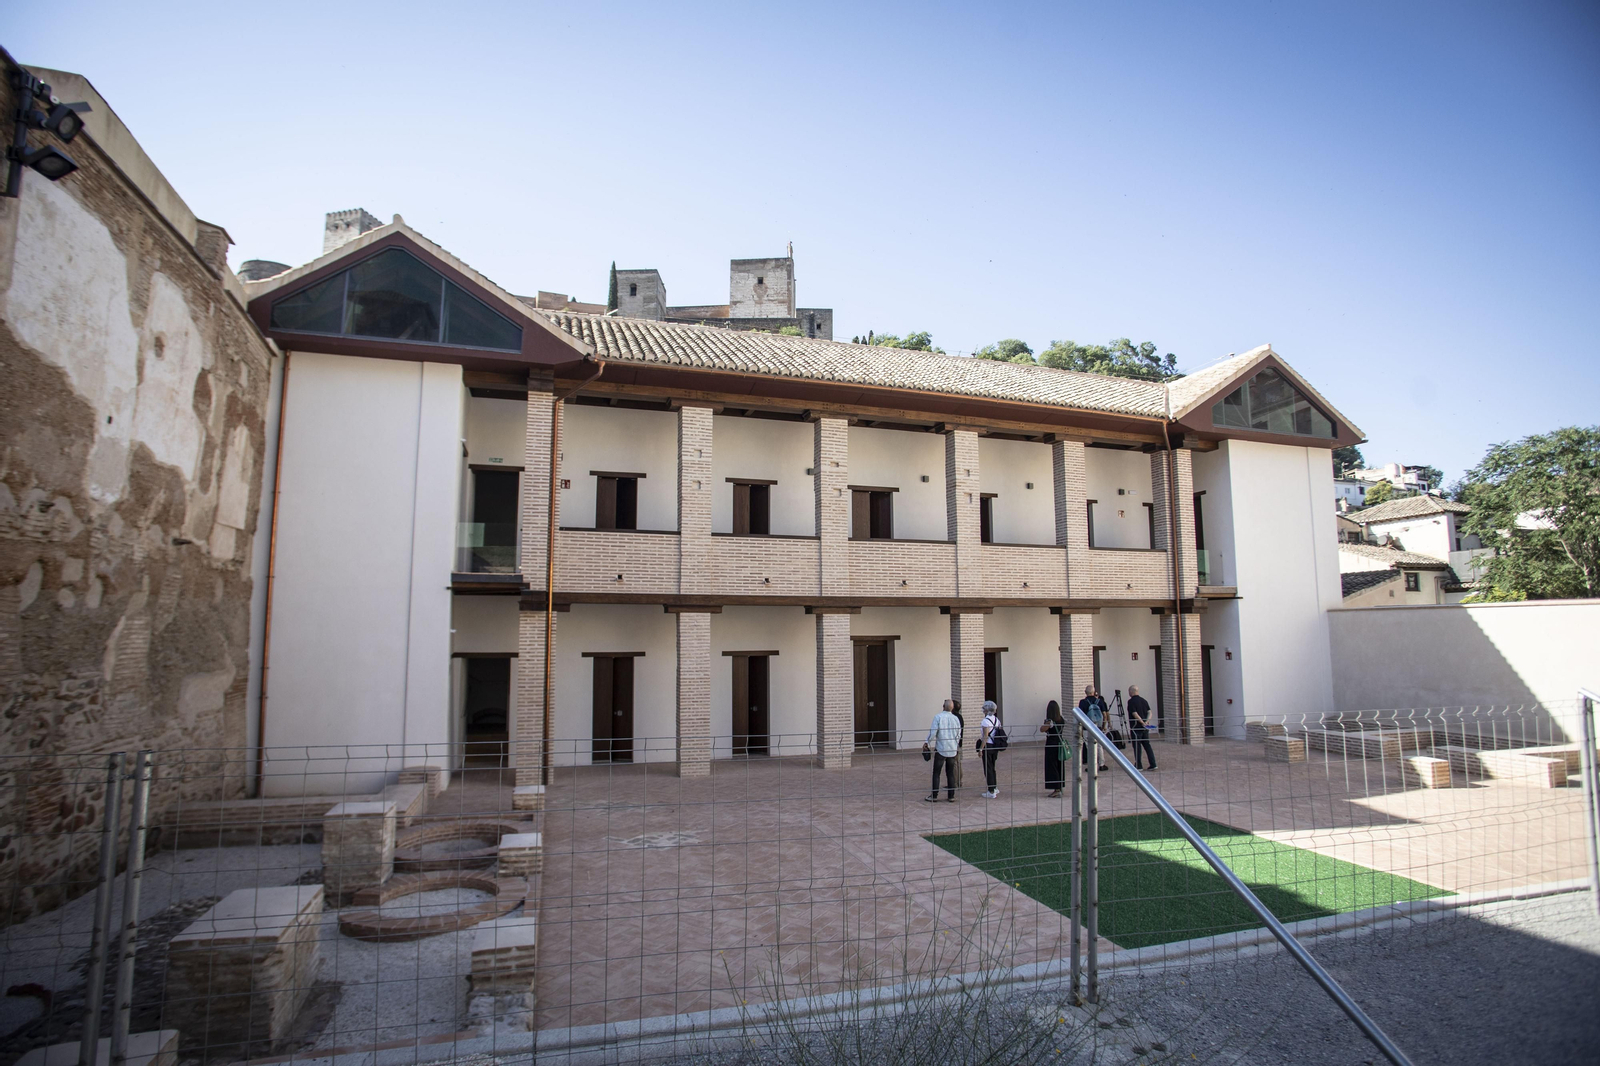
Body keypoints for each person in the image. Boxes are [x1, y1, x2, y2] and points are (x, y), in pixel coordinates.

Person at [922, 699, 962, 802]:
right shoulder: (955, 719)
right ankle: (951, 795)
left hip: (941, 748)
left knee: (936, 773)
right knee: (950, 773)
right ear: (952, 708)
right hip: (952, 749)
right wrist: (955, 744)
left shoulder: (938, 717)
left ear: (943, 706)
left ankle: (934, 796)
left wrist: (927, 742)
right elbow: (958, 734)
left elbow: (933, 732)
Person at [1077, 685, 1109, 772]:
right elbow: (1105, 715)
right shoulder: (1100, 701)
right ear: (1094, 692)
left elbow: (1080, 716)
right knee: (1099, 746)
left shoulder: (1083, 702)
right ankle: (1101, 764)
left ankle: (1092, 765)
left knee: (1089, 746)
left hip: (1087, 727)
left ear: (1085, 692)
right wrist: (1103, 726)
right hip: (1097, 727)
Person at [1039, 700, 1068, 797]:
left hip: (1051, 744)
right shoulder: (1061, 719)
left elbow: (1042, 729)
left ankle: (1057, 789)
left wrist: (1046, 723)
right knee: (1060, 765)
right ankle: (1060, 786)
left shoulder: (1050, 721)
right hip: (1059, 743)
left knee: (1052, 766)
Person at [1127, 684, 1158, 771]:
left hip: (1136, 727)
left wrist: (1141, 722)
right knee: (1147, 745)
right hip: (1145, 728)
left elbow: (1134, 713)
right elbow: (1149, 712)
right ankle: (1153, 764)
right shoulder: (1144, 700)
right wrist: (1147, 722)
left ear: (1131, 692)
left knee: (1137, 746)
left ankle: (1139, 765)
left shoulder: (1131, 702)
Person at [977, 701, 1004, 798]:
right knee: (992, 767)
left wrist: (981, 749)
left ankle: (991, 791)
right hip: (995, 746)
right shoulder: (997, 720)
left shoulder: (985, 721)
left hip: (988, 746)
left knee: (987, 768)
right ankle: (994, 787)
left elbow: (985, 737)